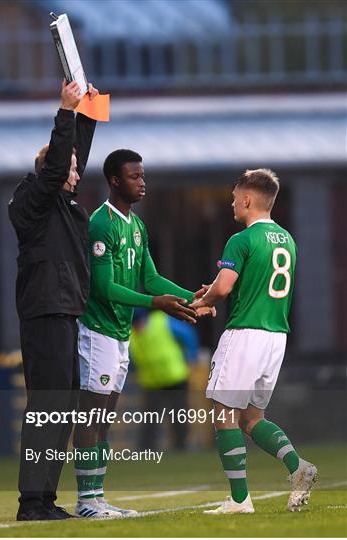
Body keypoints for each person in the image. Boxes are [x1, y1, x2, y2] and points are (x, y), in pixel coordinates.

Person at [72, 149, 213, 519]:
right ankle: (86, 500)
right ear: (115, 181)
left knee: (105, 416)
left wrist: (193, 297)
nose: (142, 182)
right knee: (92, 415)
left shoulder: (137, 225)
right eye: (134, 177)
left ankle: (97, 497)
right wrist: (155, 303)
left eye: (143, 175)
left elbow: (149, 277)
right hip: (98, 329)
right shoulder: (102, 223)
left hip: (118, 333)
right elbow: (103, 287)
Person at [191, 168, 317, 514]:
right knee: (250, 418)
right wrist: (216, 286)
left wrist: (204, 302)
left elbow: (226, 287)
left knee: (223, 414)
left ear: (247, 199)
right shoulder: (287, 239)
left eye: (234, 198)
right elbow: (249, 281)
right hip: (276, 337)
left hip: (245, 333)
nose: (232, 203)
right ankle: (298, 467)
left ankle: (238, 500)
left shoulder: (240, 239)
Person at [8, 80, 99, 521]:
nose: (78, 176)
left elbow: (70, 153)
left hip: (62, 311)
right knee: (47, 408)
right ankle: (32, 502)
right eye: (71, 169)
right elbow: (59, 160)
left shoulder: (61, 204)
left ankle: (44, 500)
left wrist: (88, 110)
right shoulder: (33, 201)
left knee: (60, 410)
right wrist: (64, 113)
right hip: (44, 312)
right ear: (53, 171)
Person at [130, 309, 199, 451]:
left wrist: (191, 357)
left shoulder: (162, 322)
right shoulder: (131, 335)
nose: (138, 327)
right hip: (152, 382)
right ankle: (147, 450)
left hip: (175, 377)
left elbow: (188, 335)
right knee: (150, 419)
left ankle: (181, 446)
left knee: (179, 414)